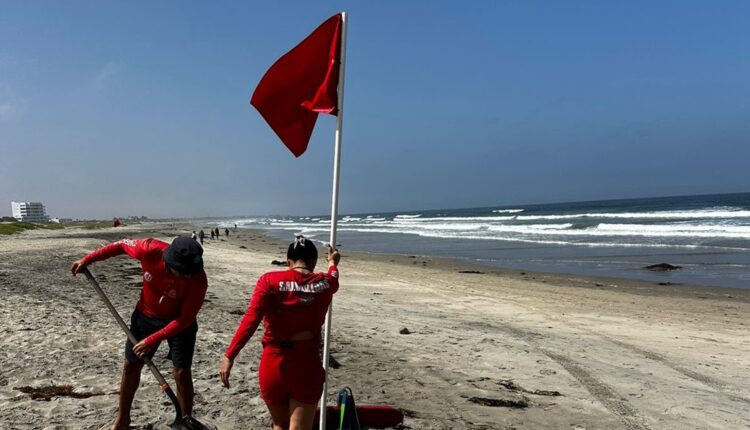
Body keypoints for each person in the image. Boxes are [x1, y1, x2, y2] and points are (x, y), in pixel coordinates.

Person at [71, 237, 208, 430]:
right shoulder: (149, 249)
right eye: (183, 273)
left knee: (182, 371)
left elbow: (185, 319)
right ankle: (122, 419)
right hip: (145, 316)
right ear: (169, 263)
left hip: (179, 323)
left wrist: (153, 340)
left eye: (191, 273)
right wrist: (87, 259)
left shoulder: (198, 279)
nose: (188, 277)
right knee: (131, 365)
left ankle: (185, 421)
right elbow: (119, 245)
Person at [220, 236, 340, 430]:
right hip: (305, 363)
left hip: (274, 362)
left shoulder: (269, 280)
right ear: (313, 262)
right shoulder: (325, 283)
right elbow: (334, 277)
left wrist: (230, 355)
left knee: (279, 424)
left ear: (288, 262)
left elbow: (251, 319)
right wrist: (333, 263)